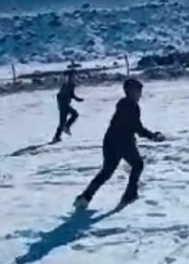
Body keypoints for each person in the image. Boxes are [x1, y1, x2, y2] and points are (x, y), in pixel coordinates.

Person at [74, 78, 165, 209]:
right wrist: (153, 136)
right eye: (138, 91)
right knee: (138, 165)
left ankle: (86, 196)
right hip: (123, 141)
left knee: (106, 172)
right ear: (131, 91)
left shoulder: (123, 103)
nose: (140, 94)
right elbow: (137, 128)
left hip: (110, 140)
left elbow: (134, 127)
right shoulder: (132, 106)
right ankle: (129, 195)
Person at [51, 72, 83, 143]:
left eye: (74, 76)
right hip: (64, 105)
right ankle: (59, 134)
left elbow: (71, 94)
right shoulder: (66, 85)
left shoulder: (71, 85)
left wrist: (78, 99)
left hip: (65, 105)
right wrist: (62, 103)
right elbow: (59, 95)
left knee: (69, 118)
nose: (74, 78)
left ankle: (59, 135)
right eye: (73, 77)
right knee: (73, 115)